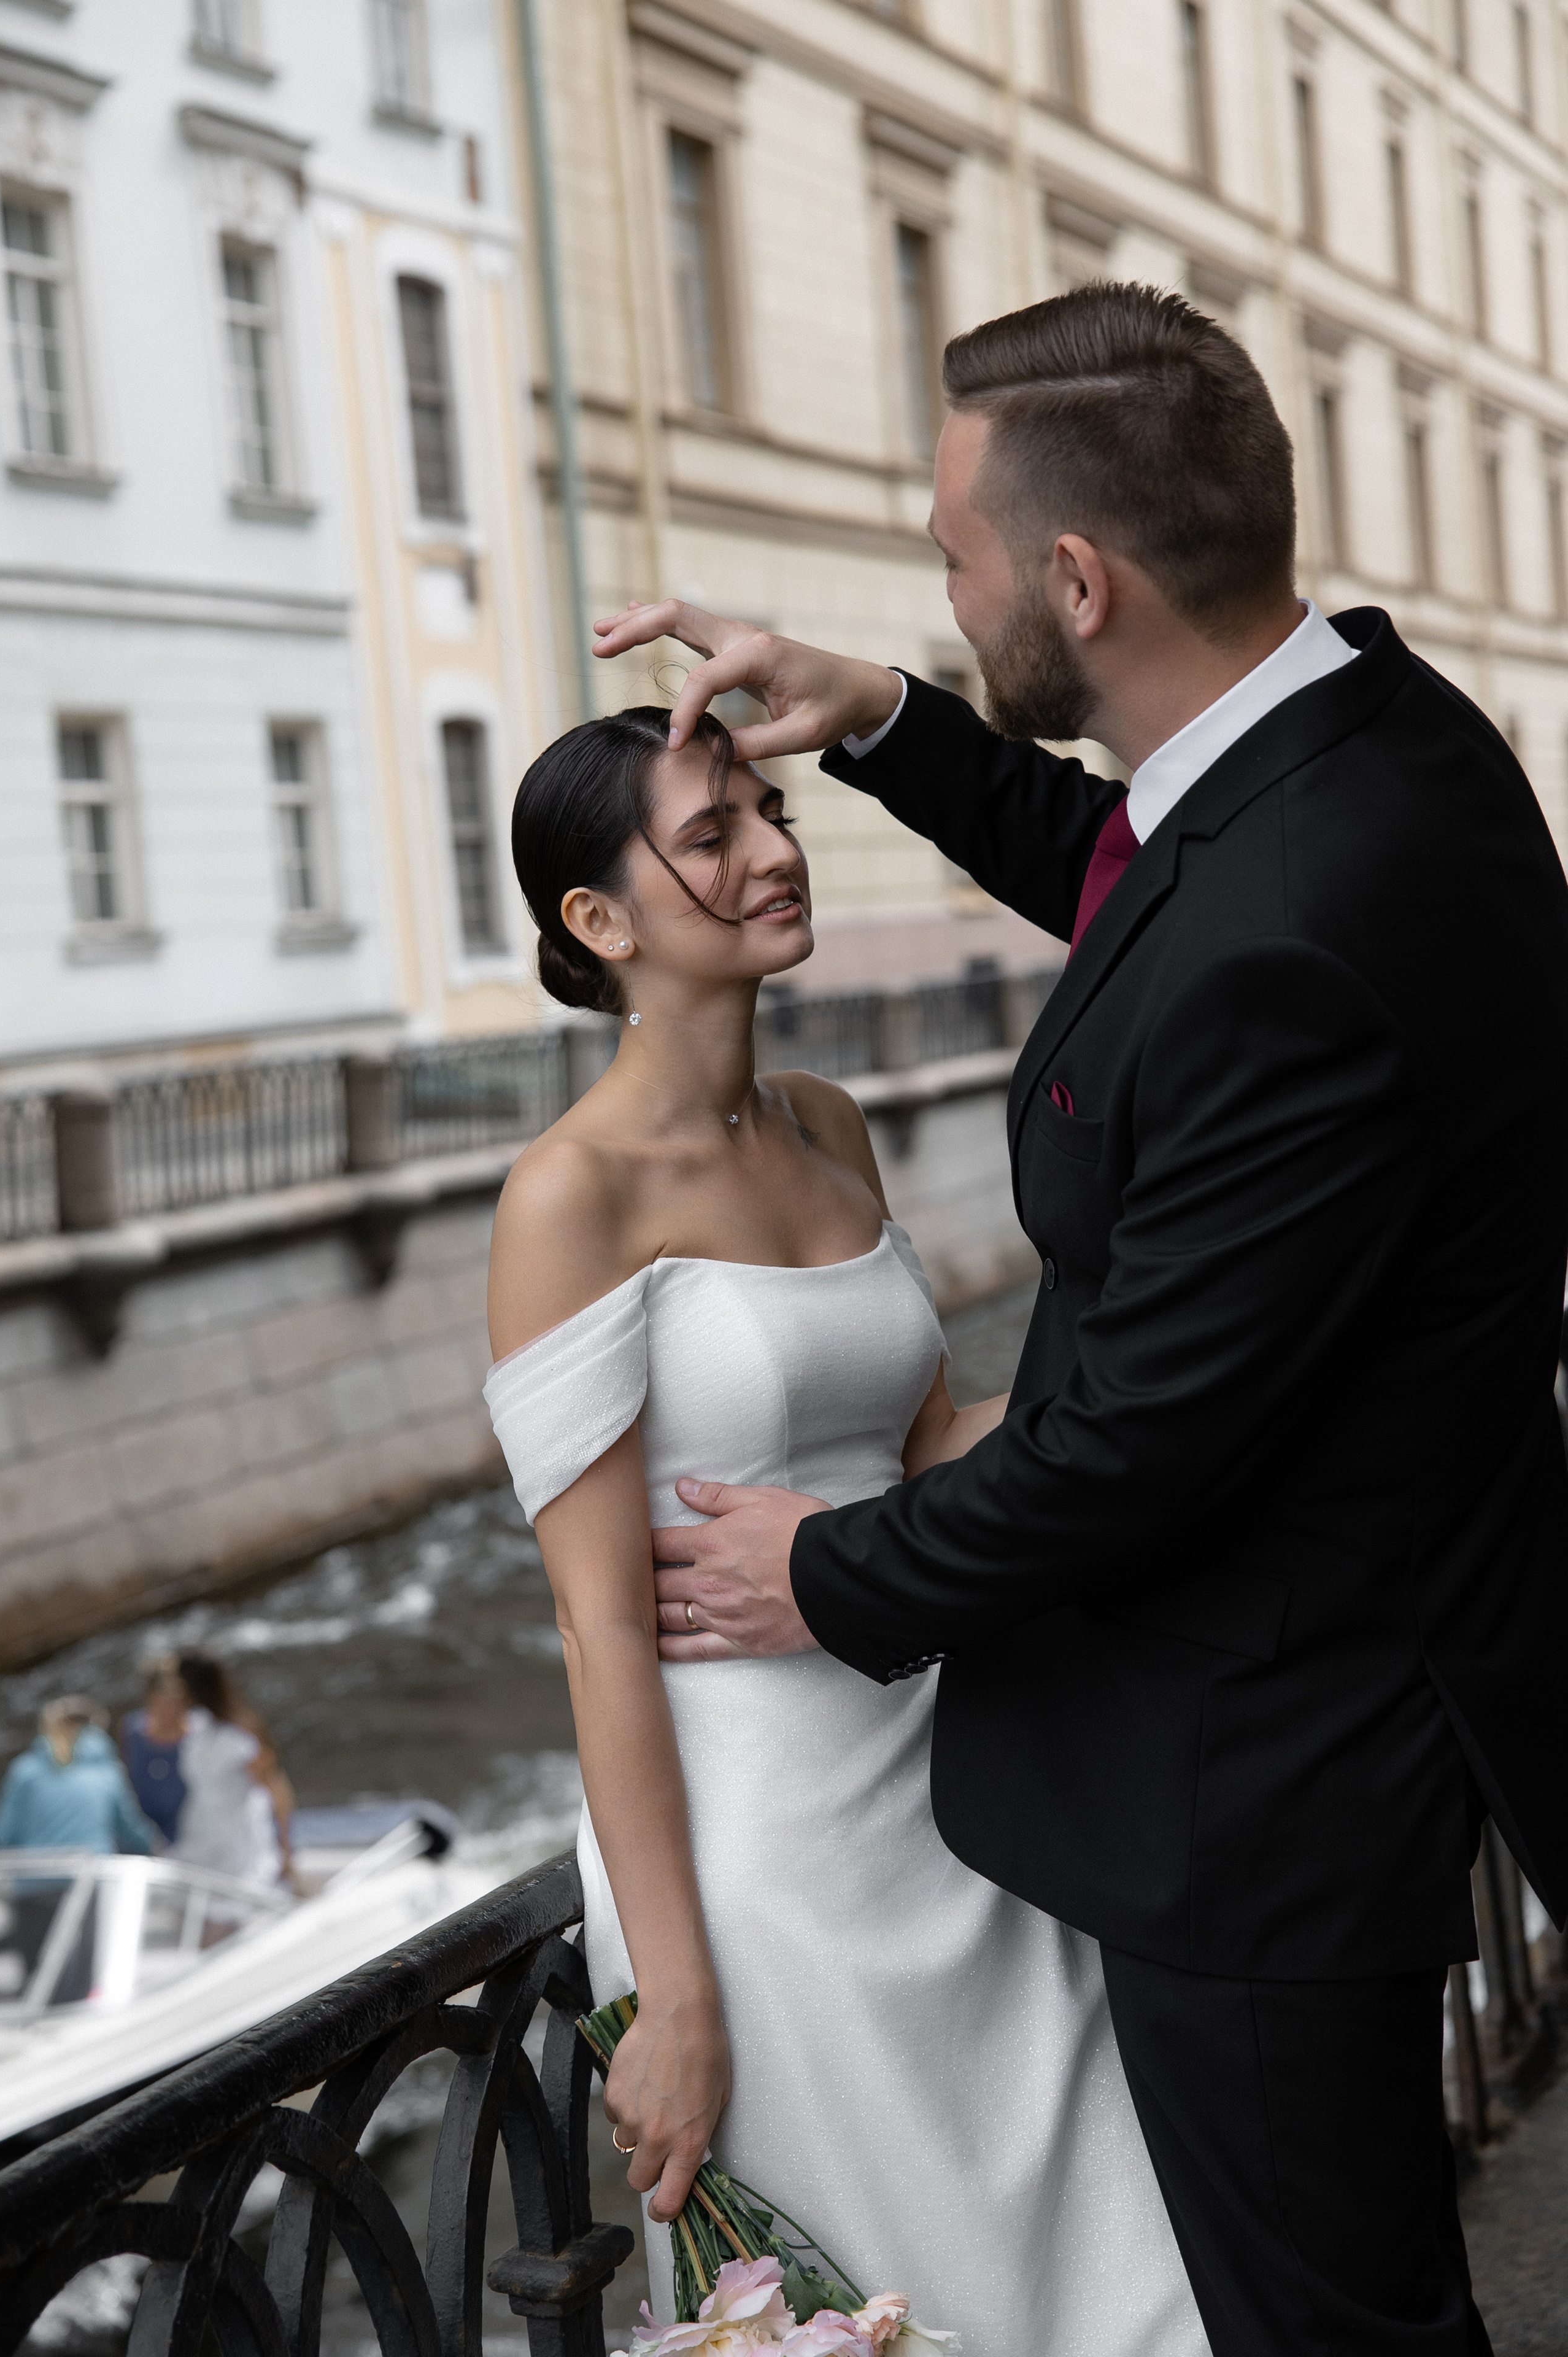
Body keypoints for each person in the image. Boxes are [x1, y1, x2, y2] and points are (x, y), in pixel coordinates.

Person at [592, 282, 1568, 2357]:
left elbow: (1131, 1446)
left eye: (953, 561)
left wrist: (825, 1572)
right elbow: (1146, 880)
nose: (945, 597)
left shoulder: (1291, 929)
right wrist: (882, 717)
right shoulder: (1384, 747)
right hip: (1386, 1674)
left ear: (1076, 580)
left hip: (1273, 1783)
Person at [484, 705, 1207, 2351]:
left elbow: (927, 1441)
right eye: (712, 834)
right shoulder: (567, 1196)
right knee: (888, 2291)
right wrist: (671, 1989)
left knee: (1124, 2275)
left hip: (962, 1768)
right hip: (765, 1851)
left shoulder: (826, 1120)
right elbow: (599, 1624)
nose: (774, 852)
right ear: (599, 919)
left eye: (774, 812)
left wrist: (1180, 1347)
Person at [171, 1652, 293, 1889]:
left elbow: (276, 1789)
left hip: (240, 1845)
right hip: (200, 1835)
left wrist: (287, 1850)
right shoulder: (194, 1726)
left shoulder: (240, 1733)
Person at [0, 1698, 156, 1856]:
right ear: (96, 1729)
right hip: (92, 1868)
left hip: (35, 1869)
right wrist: (156, 1845)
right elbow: (130, 1828)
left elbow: (5, 1834)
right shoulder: (108, 1772)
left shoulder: (23, 1771)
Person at [118, 1656, 188, 1847]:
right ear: (149, 1700)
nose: (169, 1711)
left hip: (190, 1835)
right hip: (148, 1836)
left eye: (174, 1703)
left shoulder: (198, 1735)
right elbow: (128, 1783)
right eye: (161, 1703)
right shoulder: (131, 1729)